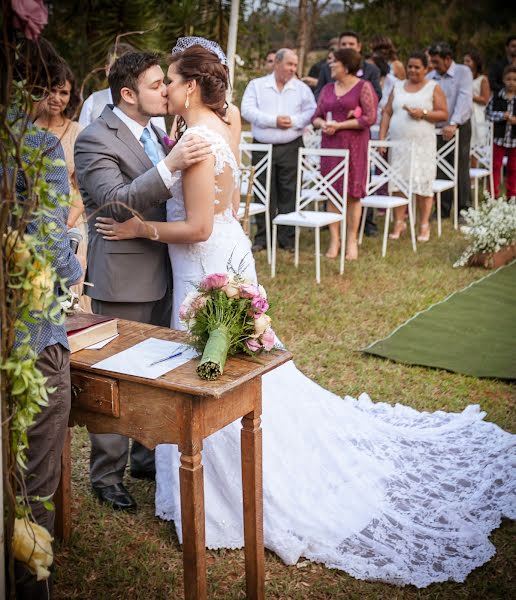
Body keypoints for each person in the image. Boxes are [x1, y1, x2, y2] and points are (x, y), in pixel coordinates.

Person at [96, 38, 514, 588]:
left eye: (171, 81)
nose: (165, 89)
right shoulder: (222, 126)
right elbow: (229, 209)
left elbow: (197, 225)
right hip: (222, 256)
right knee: (232, 368)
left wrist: (140, 228)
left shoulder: (196, 139)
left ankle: (233, 483)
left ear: (190, 86)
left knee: (215, 373)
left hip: (202, 262)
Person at [74, 51, 212, 512]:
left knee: (157, 370)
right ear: (128, 94)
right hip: (124, 274)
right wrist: (169, 166)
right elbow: (111, 204)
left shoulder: (157, 130)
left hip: (168, 268)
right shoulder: (95, 138)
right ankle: (106, 475)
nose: (166, 91)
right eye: (157, 85)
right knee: (114, 380)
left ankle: (145, 456)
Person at [11, 38, 84, 599]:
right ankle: (30, 587)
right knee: (34, 480)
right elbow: (51, 253)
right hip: (30, 336)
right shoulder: (34, 147)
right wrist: (74, 253)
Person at [241, 48, 316, 252]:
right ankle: (263, 238)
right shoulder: (257, 85)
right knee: (263, 191)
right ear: (277, 64)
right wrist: (273, 121)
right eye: (289, 64)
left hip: (291, 146)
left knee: (290, 191)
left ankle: (286, 238)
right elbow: (246, 110)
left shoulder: (301, 89)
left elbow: (311, 111)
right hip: (262, 146)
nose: (293, 69)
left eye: (295, 65)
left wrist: (292, 122)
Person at [34, 61, 91, 311]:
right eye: (51, 90)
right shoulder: (25, 132)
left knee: (69, 303)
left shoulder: (77, 132)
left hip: (70, 226)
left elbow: (83, 187)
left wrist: (63, 223)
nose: (56, 98)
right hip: (31, 225)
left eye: (64, 92)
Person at [312, 48, 378, 260]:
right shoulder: (328, 89)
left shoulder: (363, 87)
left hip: (355, 146)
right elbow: (316, 116)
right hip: (330, 145)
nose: (330, 65)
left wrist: (341, 125)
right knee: (332, 192)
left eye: (335, 63)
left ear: (346, 66)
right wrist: (324, 124)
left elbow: (369, 118)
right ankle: (334, 240)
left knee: (352, 193)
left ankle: (351, 240)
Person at [380, 52, 448, 242]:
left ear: (426, 69)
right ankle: (399, 222)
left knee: (423, 183)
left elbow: (443, 114)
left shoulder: (433, 87)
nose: (412, 70)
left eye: (417, 67)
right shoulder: (398, 86)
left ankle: (424, 224)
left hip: (422, 144)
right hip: (399, 143)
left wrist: (423, 113)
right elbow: (386, 112)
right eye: (410, 66)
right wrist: (383, 138)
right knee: (398, 182)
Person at [428, 42, 473, 220]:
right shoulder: (431, 76)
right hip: (438, 128)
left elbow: (464, 99)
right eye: (431, 61)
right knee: (440, 167)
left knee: (460, 166)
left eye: (436, 61)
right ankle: (442, 209)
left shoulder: (463, 72)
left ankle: (464, 209)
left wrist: (454, 123)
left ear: (448, 59)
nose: (433, 65)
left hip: (459, 126)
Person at [79, 42, 166, 132]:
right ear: (107, 70)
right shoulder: (92, 102)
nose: (121, 73)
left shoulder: (152, 105)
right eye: (114, 68)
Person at [486, 65, 516, 199]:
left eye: (515, 80)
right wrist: (501, 116)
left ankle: (512, 195)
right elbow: (488, 114)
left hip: (514, 139)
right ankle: (493, 194)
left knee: (513, 168)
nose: (511, 82)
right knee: (495, 166)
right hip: (499, 138)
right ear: (504, 80)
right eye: (508, 79)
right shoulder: (497, 97)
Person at [463, 50, 491, 152]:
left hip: (476, 114)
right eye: (464, 61)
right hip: (465, 112)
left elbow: (485, 99)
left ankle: (475, 166)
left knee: (475, 145)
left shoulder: (482, 79)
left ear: (475, 63)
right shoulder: (462, 78)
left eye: (468, 61)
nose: (465, 64)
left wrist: (469, 96)